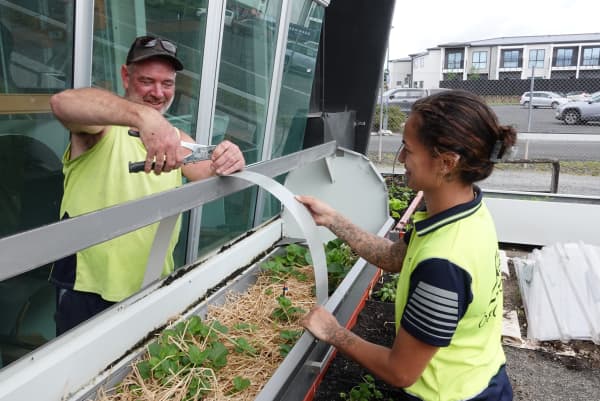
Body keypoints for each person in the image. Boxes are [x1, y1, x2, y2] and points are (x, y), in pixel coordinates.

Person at [297, 90, 516, 400]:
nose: (401, 159)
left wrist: (333, 333)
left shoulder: (444, 263)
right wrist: (332, 219)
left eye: (408, 149)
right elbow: (393, 256)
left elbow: (400, 371)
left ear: (446, 162)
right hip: (482, 376)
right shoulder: (466, 212)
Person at [49, 35, 245, 335]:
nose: (158, 92)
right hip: (87, 289)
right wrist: (143, 117)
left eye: (167, 84)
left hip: (151, 287)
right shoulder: (99, 130)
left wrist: (230, 157)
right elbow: (63, 103)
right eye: (147, 81)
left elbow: (211, 172)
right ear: (126, 76)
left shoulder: (177, 140)